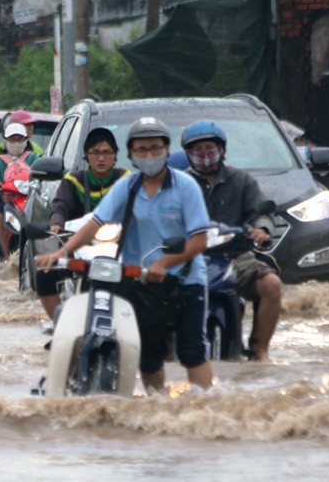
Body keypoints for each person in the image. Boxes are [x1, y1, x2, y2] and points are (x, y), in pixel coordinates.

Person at [36, 117, 214, 393]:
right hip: (141, 281)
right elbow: (95, 222)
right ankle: (157, 406)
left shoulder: (186, 187)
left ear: (167, 149)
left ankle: (207, 411)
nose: (149, 155)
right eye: (141, 149)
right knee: (149, 359)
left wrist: (165, 262)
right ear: (131, 154)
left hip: (185, 280)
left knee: (192, 351)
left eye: (155, 148)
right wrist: (60, 252)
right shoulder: (127, 188)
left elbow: (200, 240)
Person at [182, 119, 282, 362]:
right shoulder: (179, 183)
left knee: (272, 285)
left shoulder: (242, 180)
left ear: (222, 149)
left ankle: (260, 349)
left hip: (235, 256)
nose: (204, 155)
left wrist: (261, 230)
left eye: (210, 148)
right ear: (187, 154)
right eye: (197, 150)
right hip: (188, 257)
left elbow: (262, 213)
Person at [36, 128, 130, 319]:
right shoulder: (73, 181)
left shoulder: (126, 179)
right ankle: (59, 323)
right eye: (95, 153)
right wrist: (56, 224)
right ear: (87, 155)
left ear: (115, 156)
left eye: (106, 153)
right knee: (44, 275)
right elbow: (60, 205)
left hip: (122, 246)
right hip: (80, 244)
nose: (101, 159)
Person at [0, 122, 39, 259]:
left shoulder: (33, 158)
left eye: (19, 139)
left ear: (26, 140)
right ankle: (2, 250)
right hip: (7, 200)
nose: (16, 143)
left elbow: (40, 175)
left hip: (29, 200)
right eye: (12, 140)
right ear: (5, 141)